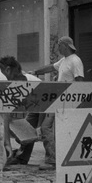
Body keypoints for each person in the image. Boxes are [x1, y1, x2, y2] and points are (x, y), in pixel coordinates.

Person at [32, 36, 84, 171]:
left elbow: (80, 82)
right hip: (58, 100)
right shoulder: (64, 60)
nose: (57, 48)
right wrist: (35, 72)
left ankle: (53, 159)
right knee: (50, 128)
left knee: (48, 127)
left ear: (65, 46)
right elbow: (50, 67)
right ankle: (55, 158)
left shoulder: (75, 61)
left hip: (67, 101)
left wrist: (75, 102)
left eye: (59, 46)